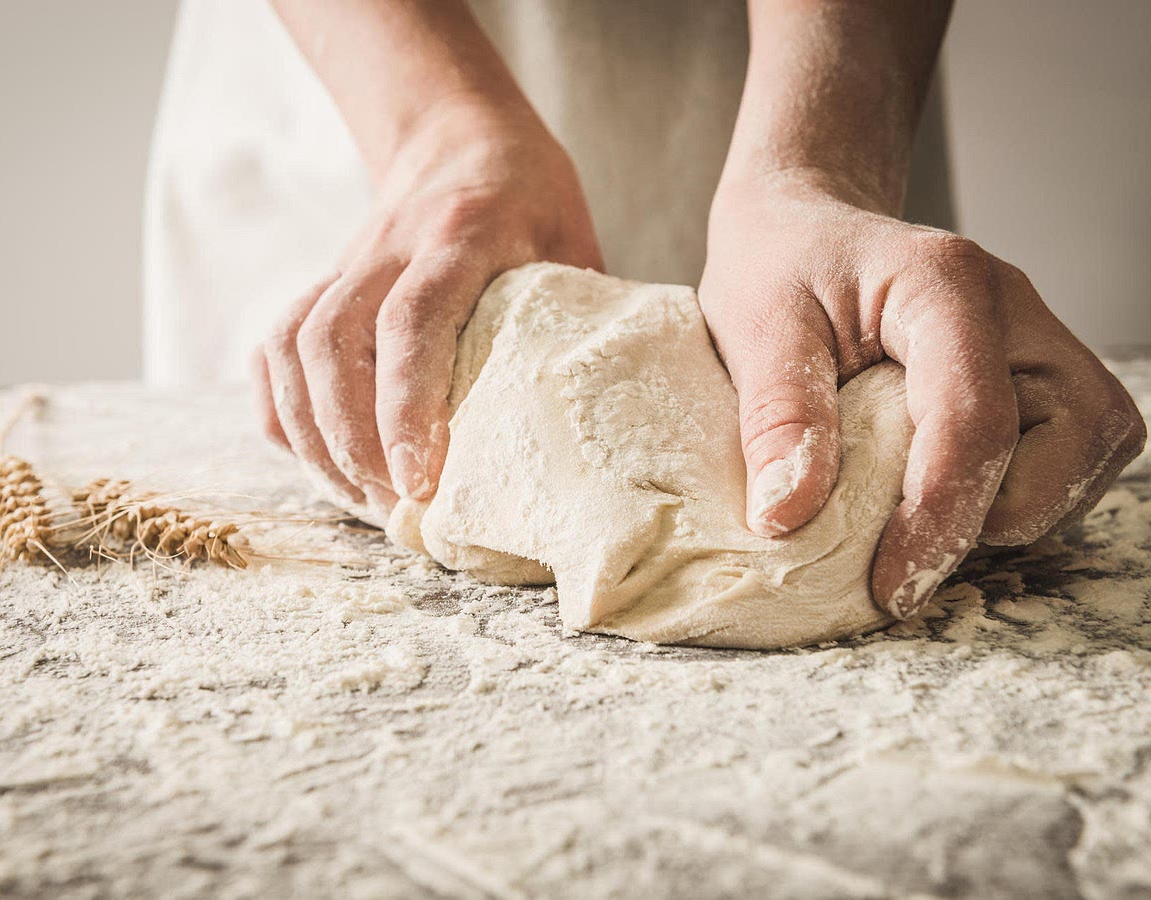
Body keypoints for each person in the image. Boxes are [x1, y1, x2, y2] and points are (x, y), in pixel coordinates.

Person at [146, 1, 1146, 622]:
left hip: (795, 67)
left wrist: (814, 165)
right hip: (361, 84)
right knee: (395, 391)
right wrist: (434, 136)